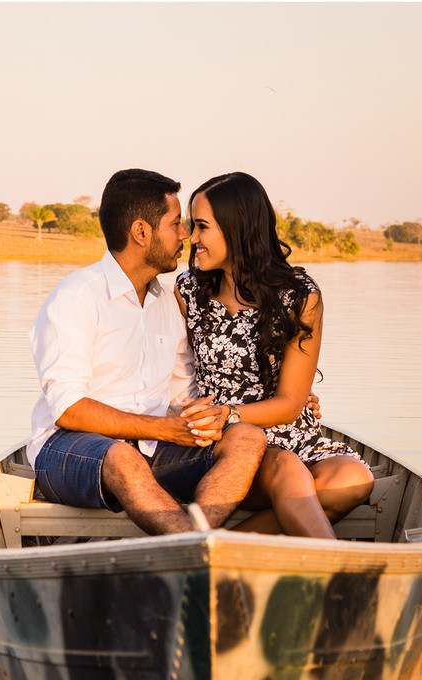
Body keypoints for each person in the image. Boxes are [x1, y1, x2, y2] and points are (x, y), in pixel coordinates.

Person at [27, 168, 267, 537]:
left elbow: (183, 394)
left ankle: (201, 535)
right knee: (123, 458)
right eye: (176, 224)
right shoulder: (77, 297)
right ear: (141, 232)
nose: (186, 235)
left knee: (247, 438)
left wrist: (199, 418)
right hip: (68, 449)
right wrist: (165, 429)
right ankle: (189, 547)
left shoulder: (168, 303)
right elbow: (69, 408)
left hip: (154, 447)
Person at [175, 172, 374, 539]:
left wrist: (231, 409)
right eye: (191, 226)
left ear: (238, 228)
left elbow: (289, 403)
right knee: (288, 470)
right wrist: (218, 418)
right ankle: (341, 575)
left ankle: (223, 547)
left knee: (354, 479)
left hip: (287, 429)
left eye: (202, 227)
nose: (192, 238)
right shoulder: (188, 291)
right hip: (229, 443)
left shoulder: (300, 297)